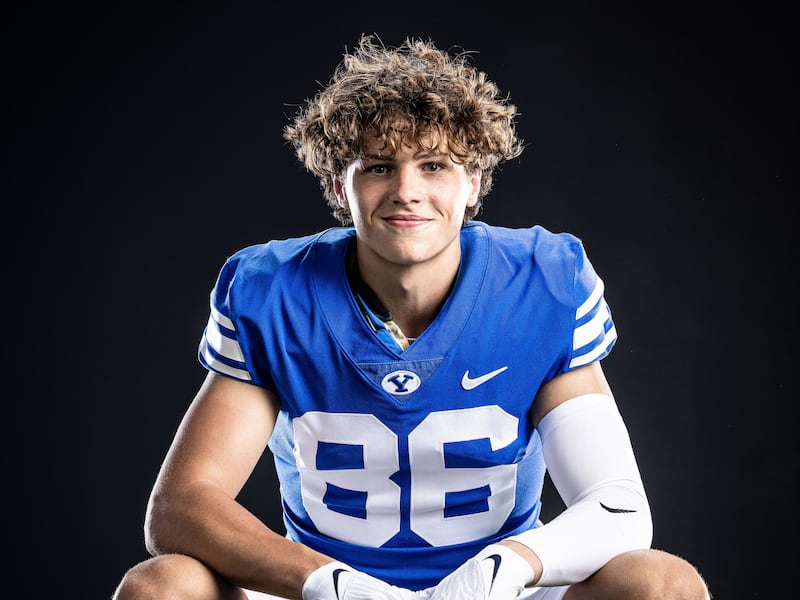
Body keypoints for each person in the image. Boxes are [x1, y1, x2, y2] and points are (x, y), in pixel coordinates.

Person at [112, 35, 711, 600]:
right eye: (377, 166)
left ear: (472, 182)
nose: (405, 190)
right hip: (326, 590)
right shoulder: (275, 291)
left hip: (495, 593)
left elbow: (617, 504)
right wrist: (335, 586)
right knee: (163, 585)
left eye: (433, 165)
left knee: (662, 583)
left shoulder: (540, 282)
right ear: (338, 184)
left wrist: (502, 569)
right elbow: (181, 508)